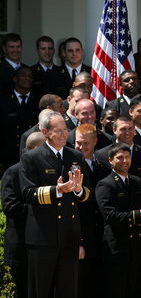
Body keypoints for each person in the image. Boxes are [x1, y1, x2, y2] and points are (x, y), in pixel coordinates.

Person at [20, 111, 90, 298]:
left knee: (67, 290)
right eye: (58, 131)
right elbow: (27, 193)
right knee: (40, 290)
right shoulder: (32, 158)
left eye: (65, 130)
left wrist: (77, 190)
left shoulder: (75, 156)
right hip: (43, 236)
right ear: (45, 132)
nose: (63, 134)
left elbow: (87, 193)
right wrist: (57, 190)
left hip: (69, 234)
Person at [95, 142, 141, 298]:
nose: (124, 161)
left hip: (136, 249)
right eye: (120, 158)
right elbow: (110, 216)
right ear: (110, 160)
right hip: (117, 249)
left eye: (127, 157)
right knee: (116, 290)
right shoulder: (105, 185)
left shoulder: (136, 181)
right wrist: (139, 214)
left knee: (134, 290)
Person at [1, 131, 45, 298]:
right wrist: (39, 208)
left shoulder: (44, 170)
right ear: (34, 149)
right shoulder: (13, 172)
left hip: (42, 247)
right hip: (21, 247)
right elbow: (10, 207)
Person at [74, 123, 104, 298]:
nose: (81, 147)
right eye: (78, 143)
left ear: (95, 142)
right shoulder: (71, 166)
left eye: (86, 143)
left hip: (100, 234)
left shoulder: (103, 165)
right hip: (81, 233)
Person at [0, 66, 38, 168]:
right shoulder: (4, 101)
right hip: (9, 155)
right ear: (15, 78)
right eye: (23, 75)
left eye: (30, 76)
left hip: (32, 154)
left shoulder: (37, 100)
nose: (27, 79)